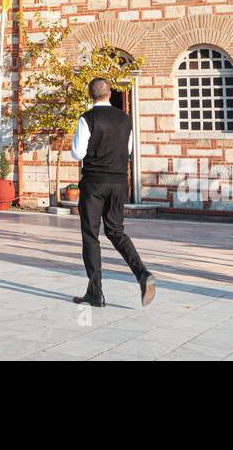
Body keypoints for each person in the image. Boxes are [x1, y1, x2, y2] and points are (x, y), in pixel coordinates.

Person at [70, 78, 155, 308]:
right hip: (118, 184)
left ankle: (95, 292)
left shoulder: (87, 118)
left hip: (94, 184)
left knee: (91, 235)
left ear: (90, 95)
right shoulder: (125, 119)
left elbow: (78, 153)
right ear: (110, 94)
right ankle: (142, 274)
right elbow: (127, 151)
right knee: (116, 231)